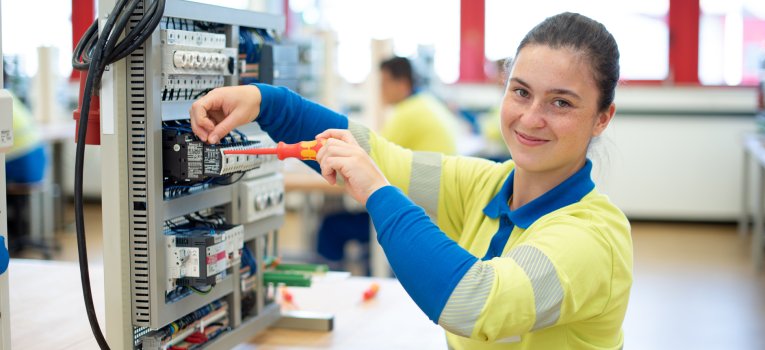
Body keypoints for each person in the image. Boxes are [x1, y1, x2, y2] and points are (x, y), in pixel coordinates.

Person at [190, 12, 631, 349]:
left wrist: (376, 191)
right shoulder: (488, 184)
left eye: (561, 103)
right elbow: (383, 157)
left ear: (602, 118)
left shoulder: (593, 238)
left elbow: (474, 301)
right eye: (521, 92)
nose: (531, 118)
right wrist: (268, 103)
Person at [316, 56, 461, 270]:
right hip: (437, 209)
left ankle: (331, 281)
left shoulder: (408, 113)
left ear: (401, 84)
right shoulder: (428, 103)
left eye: (384, 84)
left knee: (331, 226)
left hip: (417, 214)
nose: (381, 91)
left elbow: (369, 158)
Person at [378, 56, 459, 154]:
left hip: (434, 164)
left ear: (402, 84)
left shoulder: (406, 113)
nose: (381, 89)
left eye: (384, 83)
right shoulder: (427, 100)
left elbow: (377, 153)